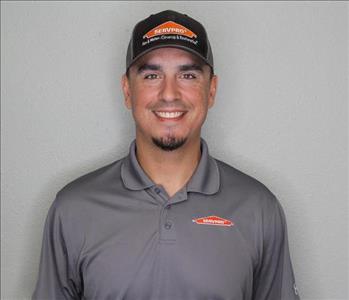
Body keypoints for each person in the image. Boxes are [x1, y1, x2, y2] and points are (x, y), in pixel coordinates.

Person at [32, 10, 300, 300]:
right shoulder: (72, 210)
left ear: (211, 90)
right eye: (151, 75)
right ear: (127, 90)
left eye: (187, 75)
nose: (169, 93)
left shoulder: (259, 210)